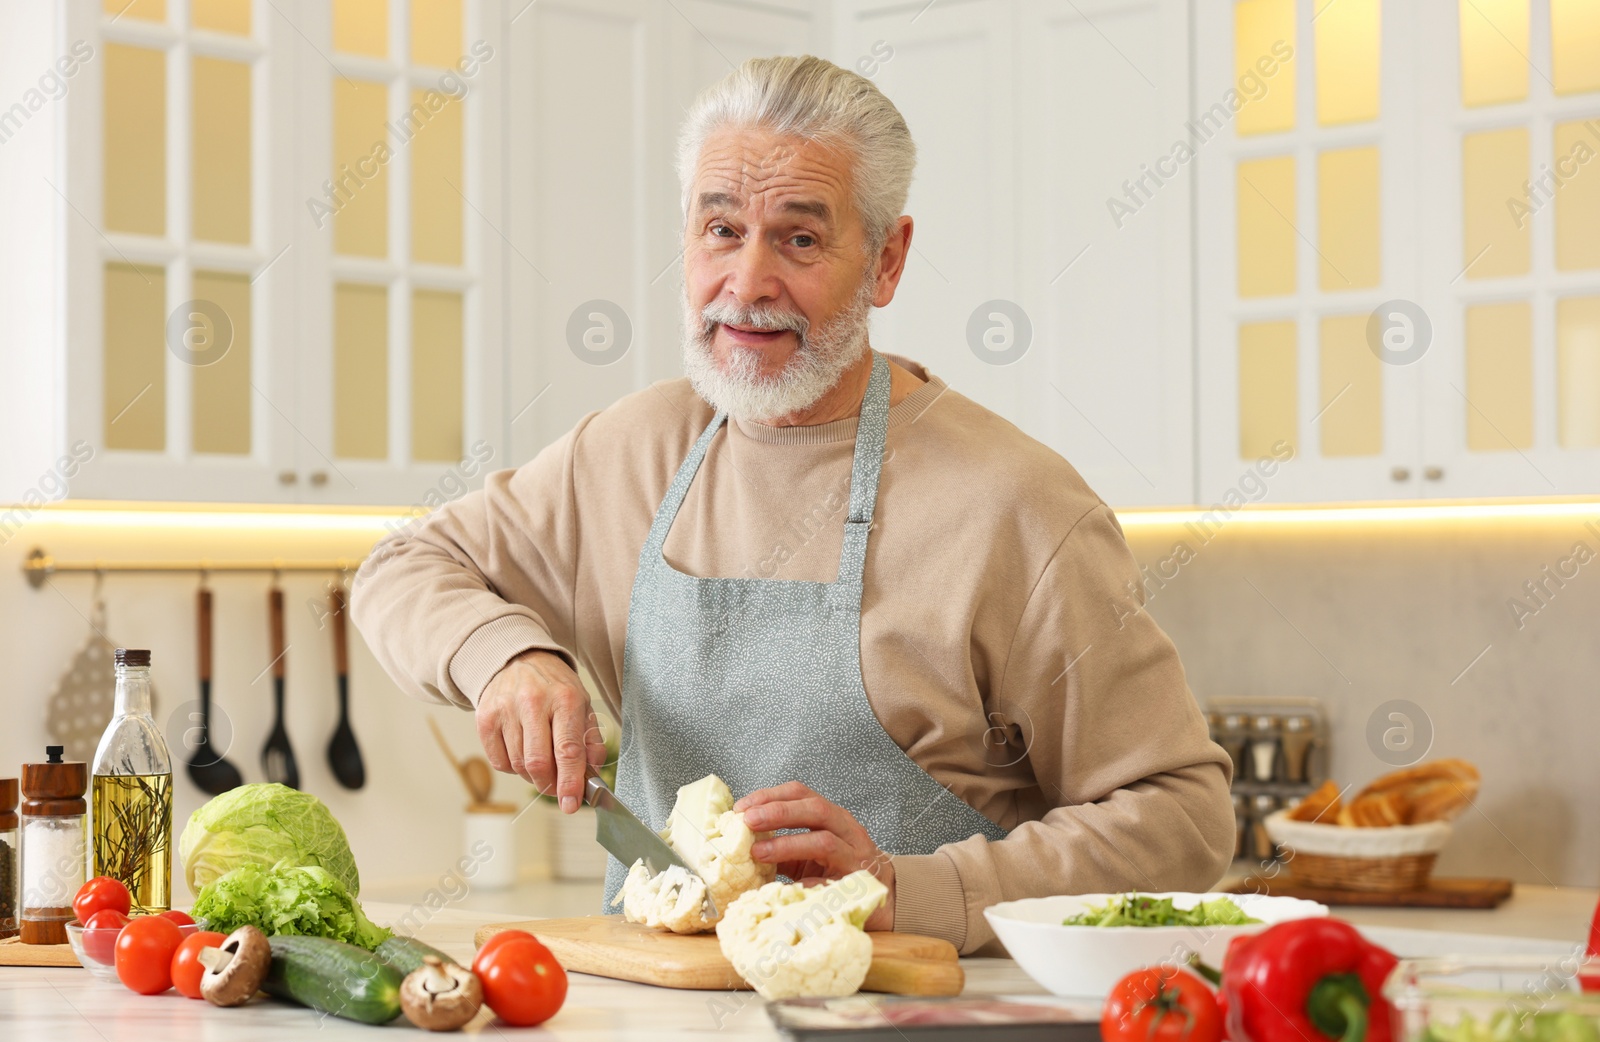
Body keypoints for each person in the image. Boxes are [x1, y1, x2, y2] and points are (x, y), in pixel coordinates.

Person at [352, 54, 1233, 954]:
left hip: (919, 1029)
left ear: (886, 260)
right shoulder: (630, 452)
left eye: (800, 240)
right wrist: (506, 657)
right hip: (654, 1020)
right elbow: (400, 567)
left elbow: (1184, 819)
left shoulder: (1016, 505)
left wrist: (915, 889)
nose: (748, 281)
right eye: (721, 229)